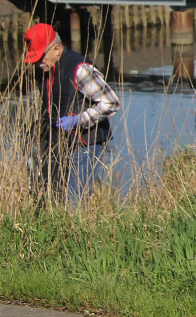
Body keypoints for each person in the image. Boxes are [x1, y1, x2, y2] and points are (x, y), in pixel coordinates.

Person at [23, 23, 122, 206]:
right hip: (61, 145)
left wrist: (78, 120)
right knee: (52, 201)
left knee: (74, 204)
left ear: (56, 48)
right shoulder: (47, 70)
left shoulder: (80, 69)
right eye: (35, 60)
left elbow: (111, 103)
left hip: (86, 145)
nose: (38, 64)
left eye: (40, 58)